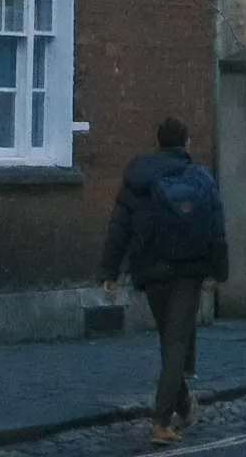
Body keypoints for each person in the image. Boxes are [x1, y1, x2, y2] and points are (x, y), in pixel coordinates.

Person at [100, 115, 230, 445]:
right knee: (176, 343)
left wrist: (109, 273)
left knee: (170, 340)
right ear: (186, 143)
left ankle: (185, 407)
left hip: (151, 269)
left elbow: (119, 228)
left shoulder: (138, 177)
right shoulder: (200, 177)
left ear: (158, 142)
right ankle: (161, 420)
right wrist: (218, 272)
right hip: (188, 271)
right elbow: (217, 229)